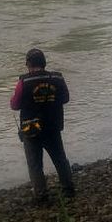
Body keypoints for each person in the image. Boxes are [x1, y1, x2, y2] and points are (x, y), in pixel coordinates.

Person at [10, 48, 75, 204]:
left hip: (31, 129)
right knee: (60, 159)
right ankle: (68, 190)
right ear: (44, 63)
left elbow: (15, 105)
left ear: (28, 64)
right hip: (53, 126)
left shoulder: (23, 82)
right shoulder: (57, 78)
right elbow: (65, 98)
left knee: (35, 165)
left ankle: (41, 196)